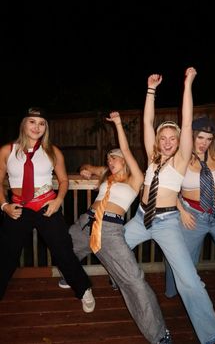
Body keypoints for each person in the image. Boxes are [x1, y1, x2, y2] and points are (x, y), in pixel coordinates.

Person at [124, 68, 215, 344]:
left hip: (167, 222)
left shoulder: (181, 159)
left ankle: (213, 335)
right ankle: (111, 275)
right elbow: (147, 122)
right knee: (106, 244)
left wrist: (188, 84)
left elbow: (186, 117)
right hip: (139, 218)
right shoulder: (152, 157)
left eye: (174, 137)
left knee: (189, 281)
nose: (169, 142)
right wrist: (150, 90)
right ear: (158, 142)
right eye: (164, 138)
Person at [59, 111, 173, 344]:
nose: (111, 162)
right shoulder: (107, 176)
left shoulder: (135, 178)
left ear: (126, 161)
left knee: (133, 279)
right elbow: (89, 165)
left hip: (110, 229)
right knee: (62, 245)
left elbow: (128, 151)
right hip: (87, 221)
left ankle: (159, 334)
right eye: (109, 158)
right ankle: (67, 274)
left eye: (116, 158)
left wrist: (119, 125)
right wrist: (85, 168)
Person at [0, 107, 95, 313]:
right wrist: (4, 206)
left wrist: (58, 200)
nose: (37, 127)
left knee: (63, 251)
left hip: (46, 205)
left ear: (46, 128)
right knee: (6, 254)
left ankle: (84, 289)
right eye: (32, 122)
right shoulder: (7, 150)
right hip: (18, 207)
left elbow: (63, 180)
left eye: (41, 123)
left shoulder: (52, 151)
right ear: (24, 124)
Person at [165, 115, 215, 299]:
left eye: (209, 139)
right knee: (181, 258)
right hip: (192, 215)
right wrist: (181, 212)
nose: (204, 143)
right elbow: (168, 190)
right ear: (192, 136)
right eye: (200, 137)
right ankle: (174, 292)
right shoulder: (179, 158)